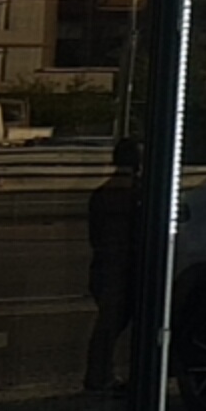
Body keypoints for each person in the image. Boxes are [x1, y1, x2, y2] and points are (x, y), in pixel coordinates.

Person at [83, 136, 142, 392]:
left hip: (104, 265)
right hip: (128, 267)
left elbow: (95, 235)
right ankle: (103, 376)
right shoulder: (138, 194)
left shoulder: (102, 193)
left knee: (108, 324)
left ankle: (98, 375)